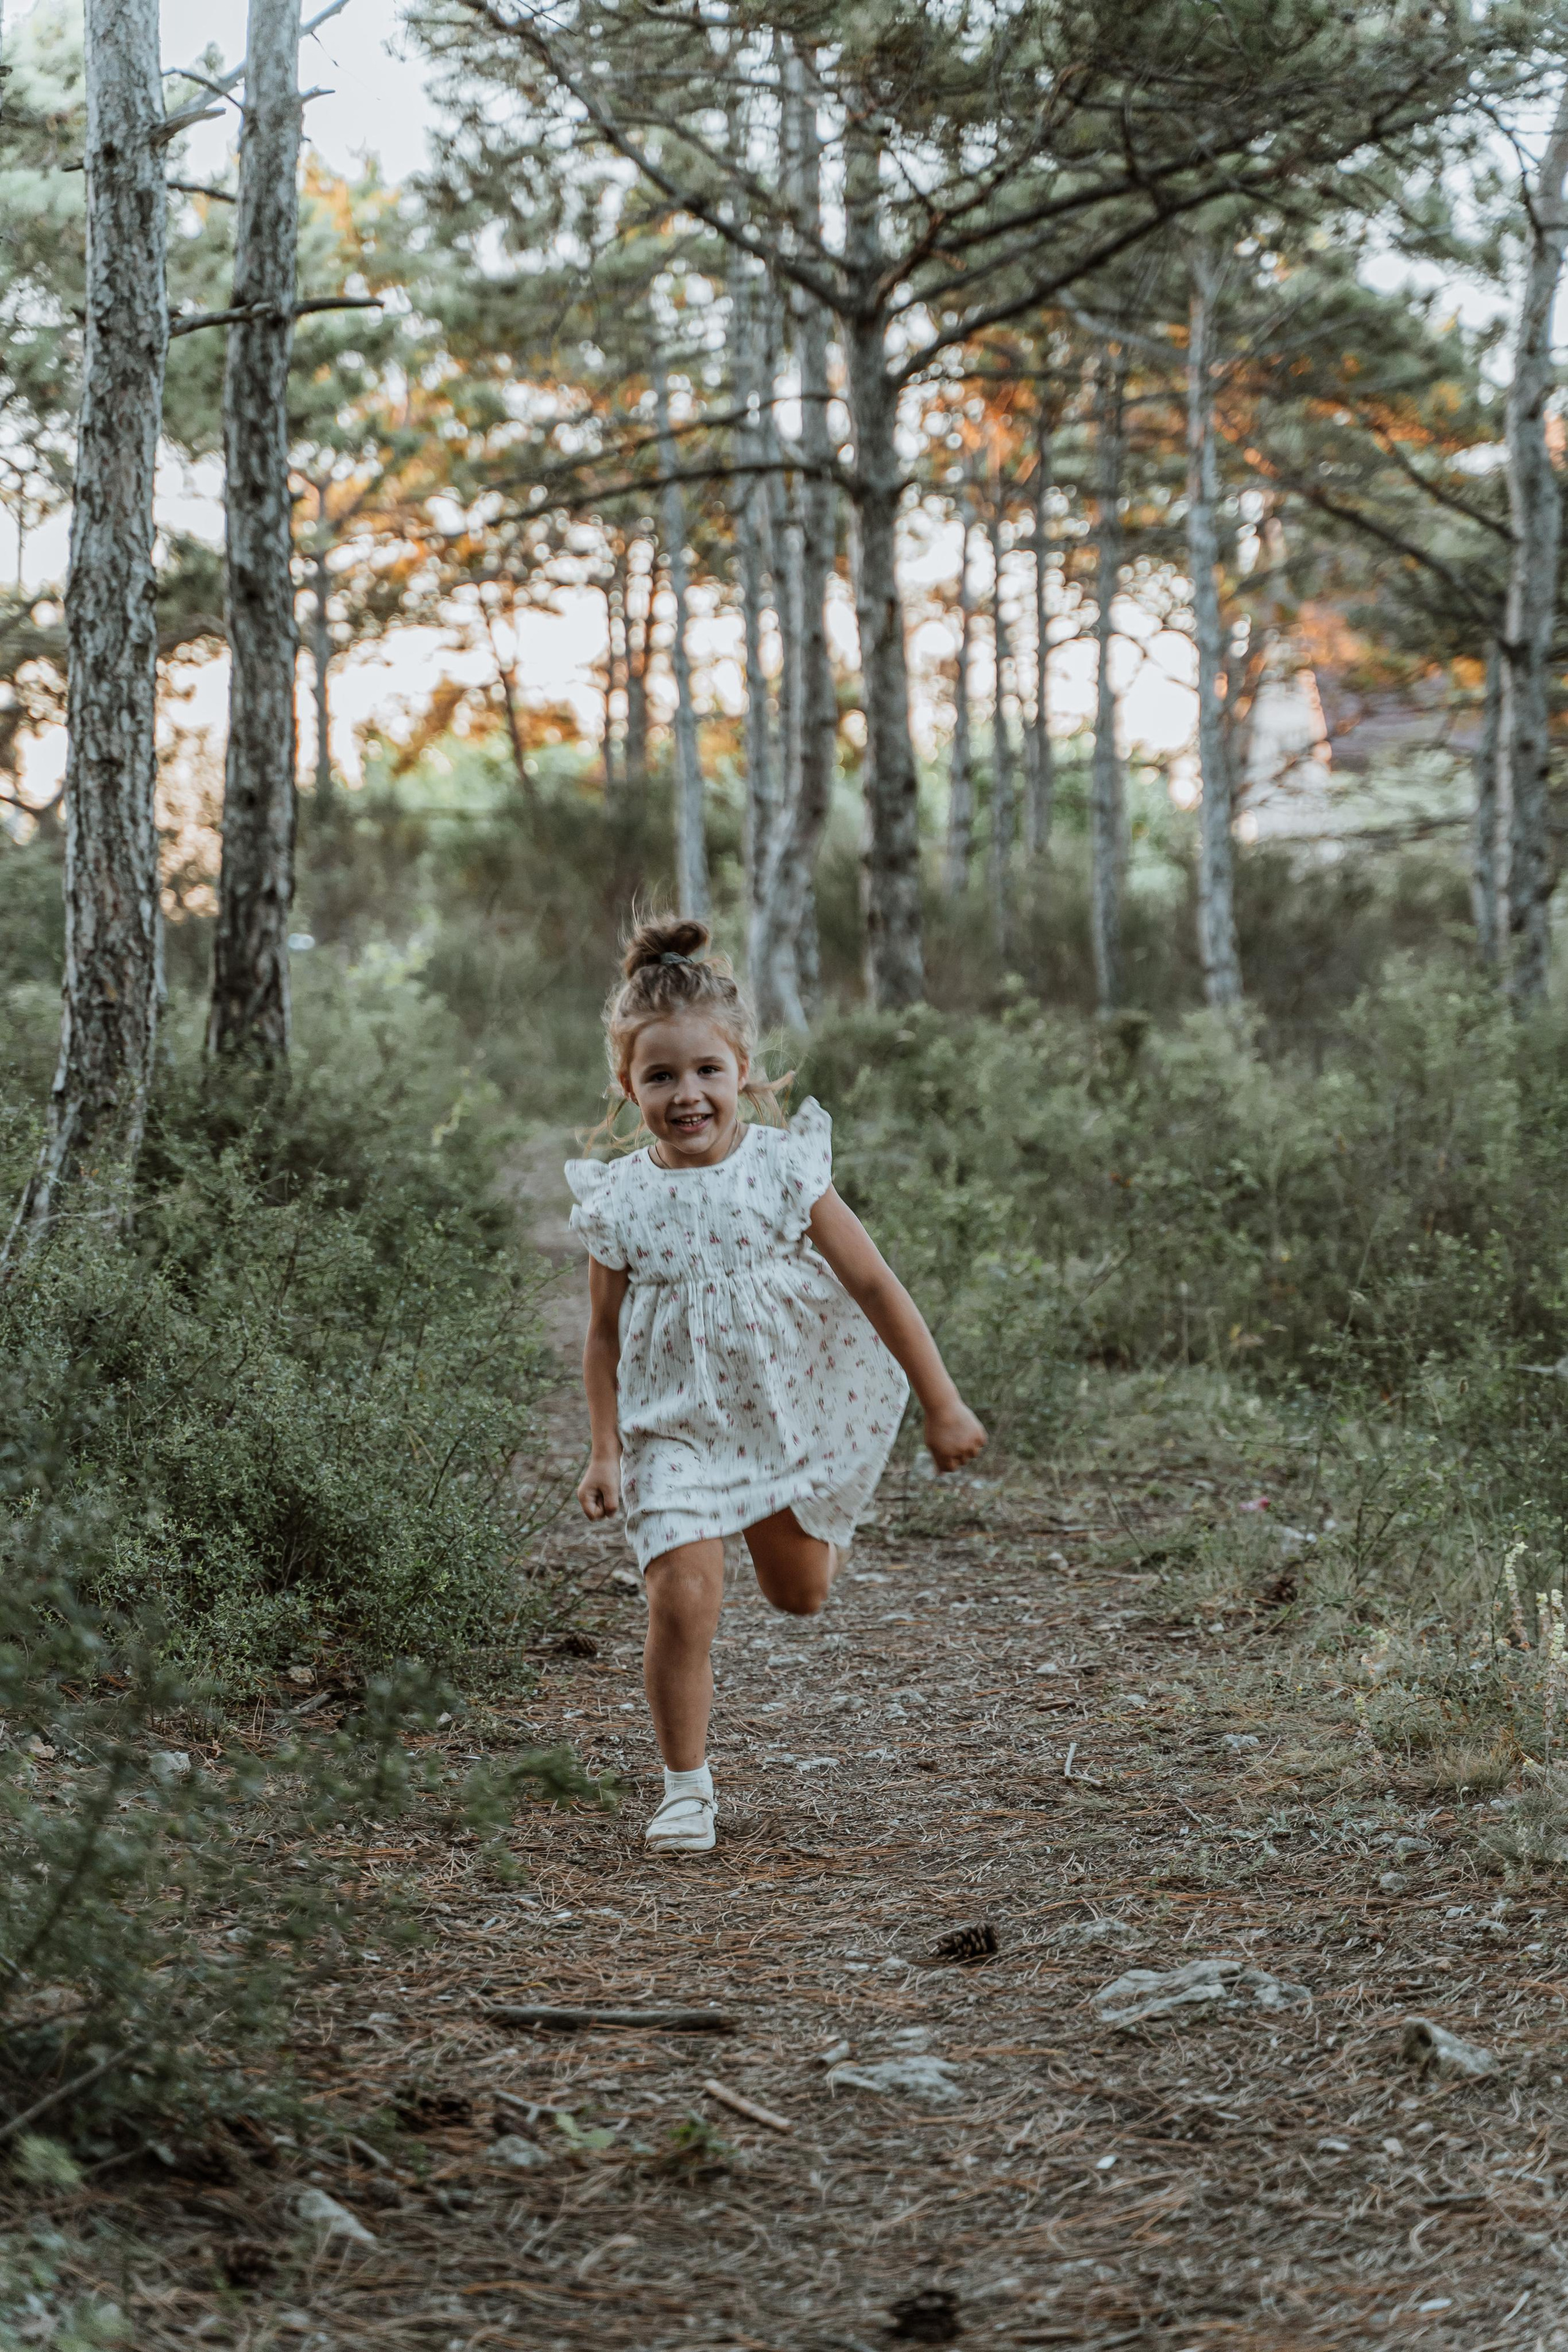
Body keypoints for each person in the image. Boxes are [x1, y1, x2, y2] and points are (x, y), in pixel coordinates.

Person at [567, 917, 987, 1853]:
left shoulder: (783, 1169)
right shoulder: (619, 1199)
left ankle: (797, 1517)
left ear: (744, 1069)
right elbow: (600, 1336)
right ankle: (685, 1788)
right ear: (626, 1086)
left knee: (800, 1596)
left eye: (707, 1072)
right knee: (682, 1597)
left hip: (788, 1413)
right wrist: (604, 1450)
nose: (688, 1095)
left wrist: (944, 1401)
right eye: (661, 1077)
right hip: (671, 1430)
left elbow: (875, 1285)